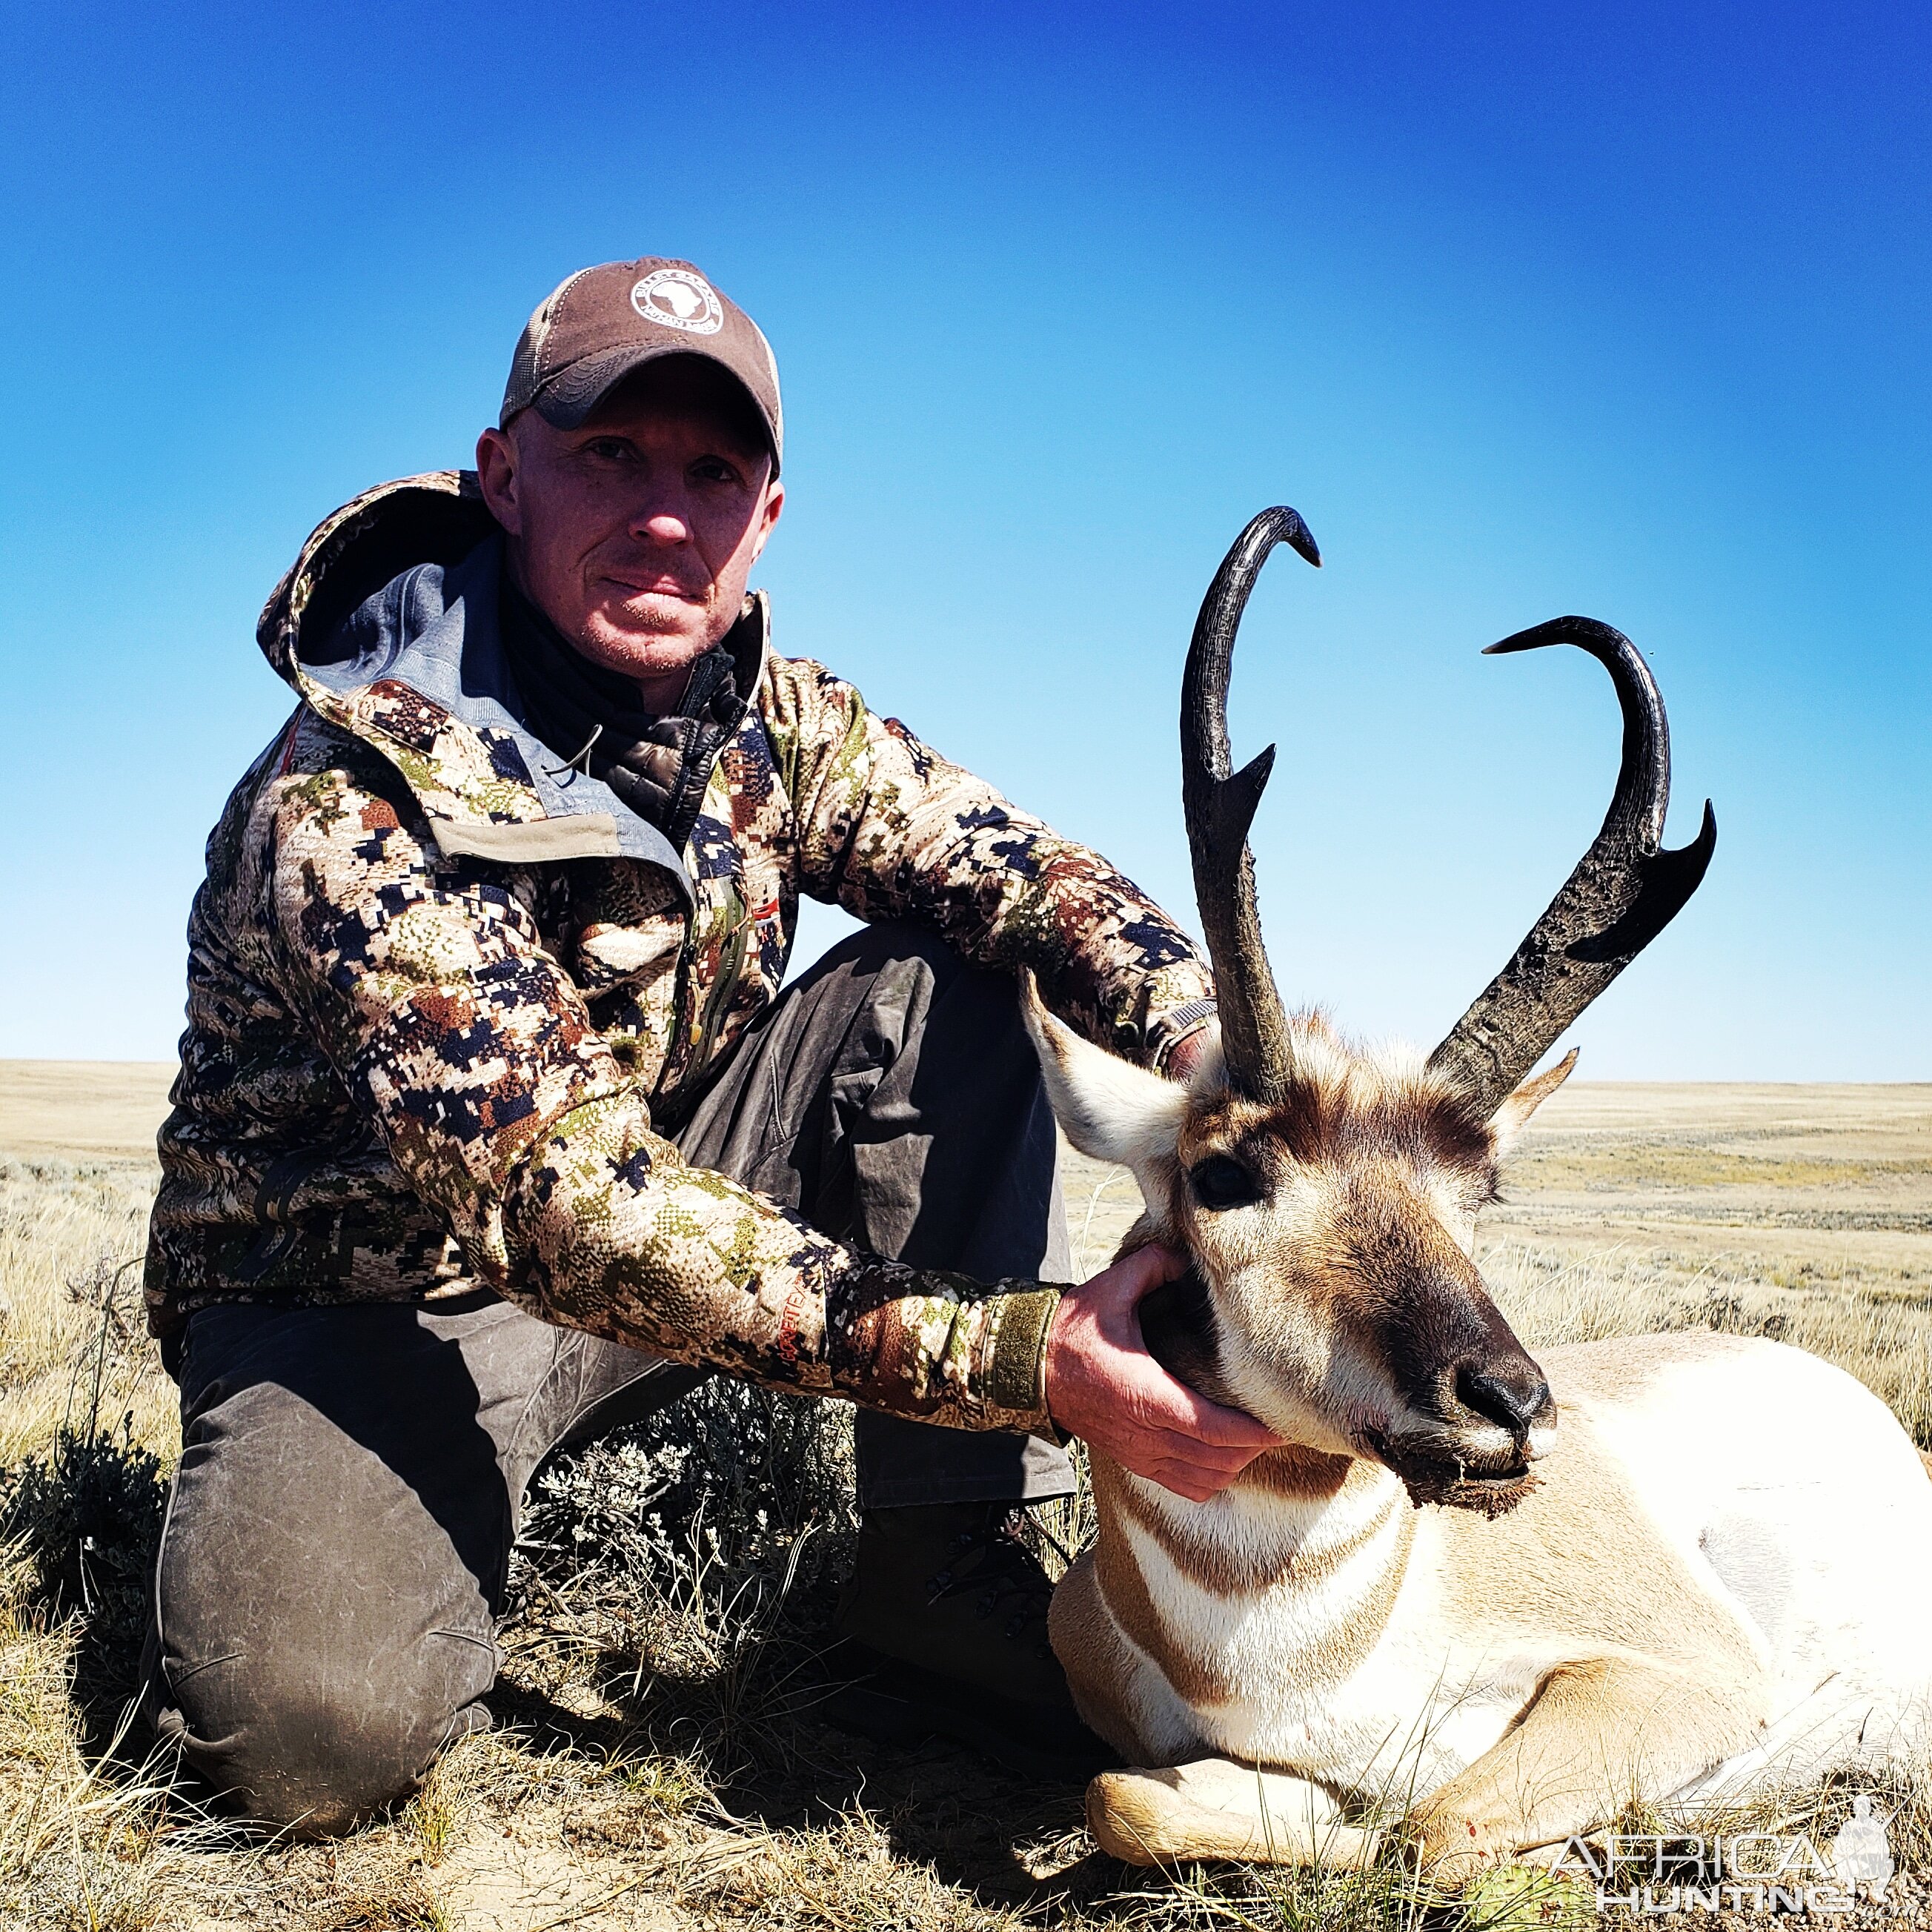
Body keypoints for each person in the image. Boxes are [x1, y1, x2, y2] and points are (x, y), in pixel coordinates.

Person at [139, 256, 1275, 1831]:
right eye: (610, 453)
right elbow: (565, 1201)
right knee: (309, 1745)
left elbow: (1024, 874)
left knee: (964, 966)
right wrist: (1023, 1356)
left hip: (651, 1226)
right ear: (503, 472)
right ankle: (380, 1535)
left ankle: (939, 1565)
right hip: (360, 1310)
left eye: (711, 471)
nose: (664, 513)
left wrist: (1217, 1045)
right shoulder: (349, 796)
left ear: (765, 521)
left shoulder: (777, 721)